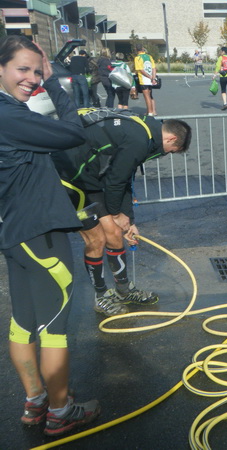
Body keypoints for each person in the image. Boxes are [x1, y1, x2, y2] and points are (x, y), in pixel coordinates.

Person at [0, 35, 100, 437]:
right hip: (41, 232)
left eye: (36, 72)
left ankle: (36, 400)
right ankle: (61, 411)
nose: (31, 78)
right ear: (1, 69)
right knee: (54, 328)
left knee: (22, 324)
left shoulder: (9, 113)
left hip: (14, 234)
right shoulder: (10, 117)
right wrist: (58, 84)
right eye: (23, 69)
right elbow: (74, 132)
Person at [52, 113, 192, 316]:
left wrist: (128, 220)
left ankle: (124, 291)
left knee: (115, 233)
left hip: (90, 180)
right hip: (69, 180)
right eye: (173, 151)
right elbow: (116, 181)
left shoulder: (145, 133)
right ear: (170, 139)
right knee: (96, 239)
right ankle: (101, 297)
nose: (168, 154)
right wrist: (117, 214)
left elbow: (125, 176)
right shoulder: (139, 139)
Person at [134, 44, 157, 116]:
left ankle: (150, 112)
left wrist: (149, 77)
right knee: (150, 95)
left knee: (146, 96)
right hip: (150, 79)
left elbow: (140, 70)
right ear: (143, 49)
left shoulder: (137, 58)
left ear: (136, 50)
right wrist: (153, 77)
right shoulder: (149, 56)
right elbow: (154, 68)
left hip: (144, 79)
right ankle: (152, 111)